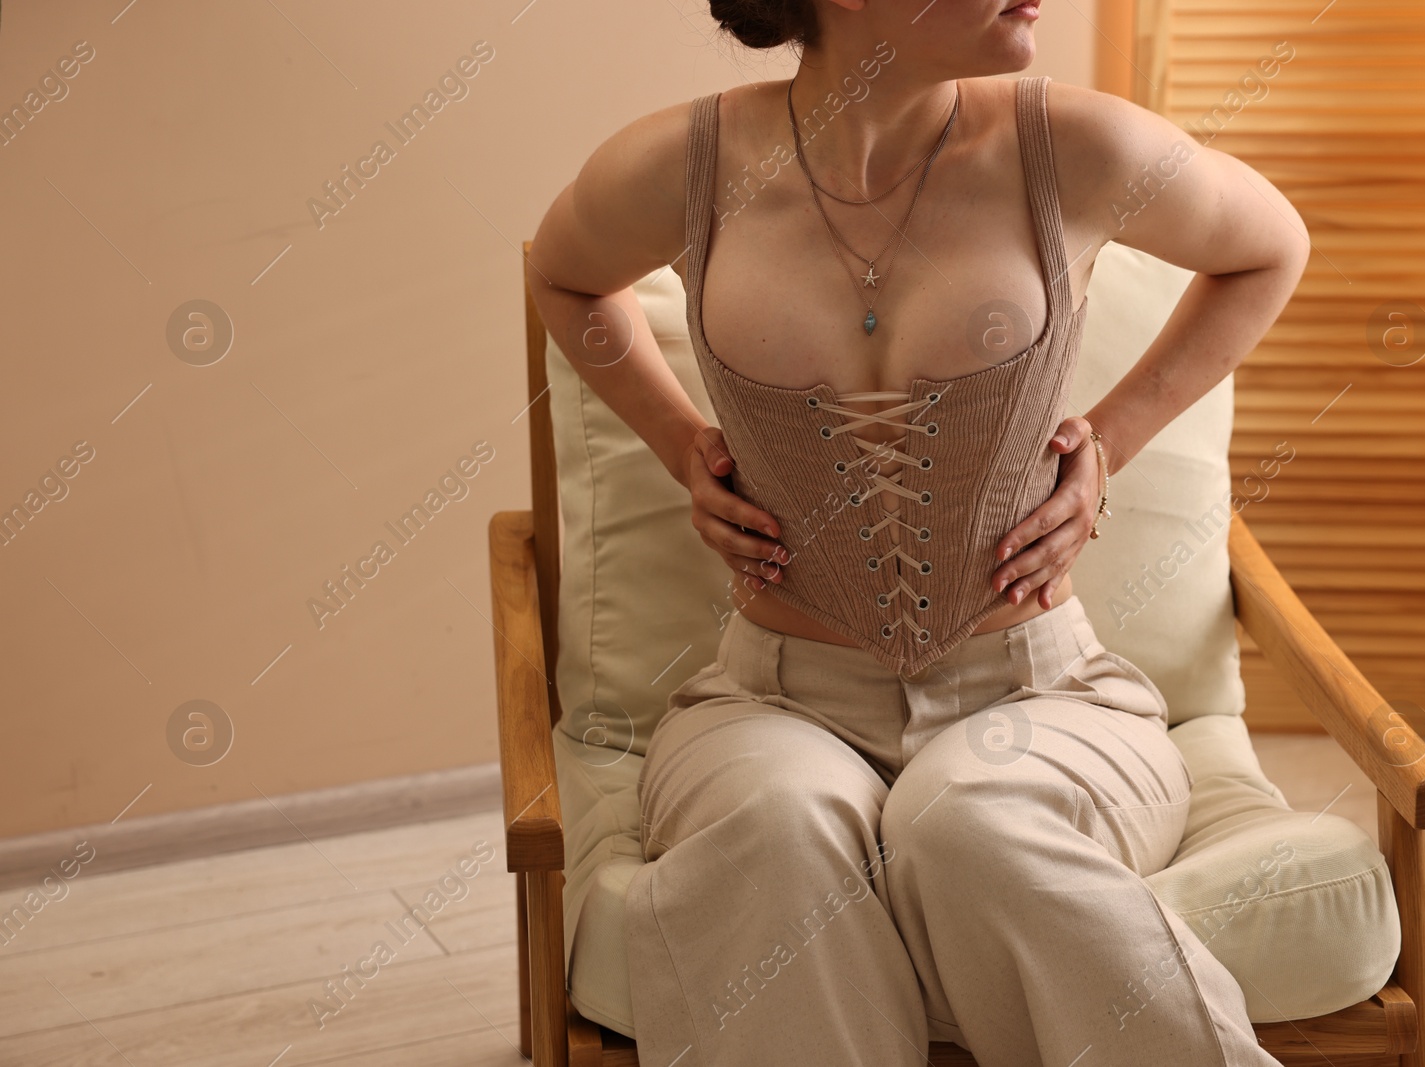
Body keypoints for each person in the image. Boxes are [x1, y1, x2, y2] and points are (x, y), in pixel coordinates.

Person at [530, 0, 1307, 1062]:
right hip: (772, 697)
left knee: (968, 821)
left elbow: (1270, 246)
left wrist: (1112, 438)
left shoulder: (1071, 149)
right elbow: (564, 273)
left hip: (1039, 692)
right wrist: (678, 443)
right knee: (775, 828)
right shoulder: (688, 163)